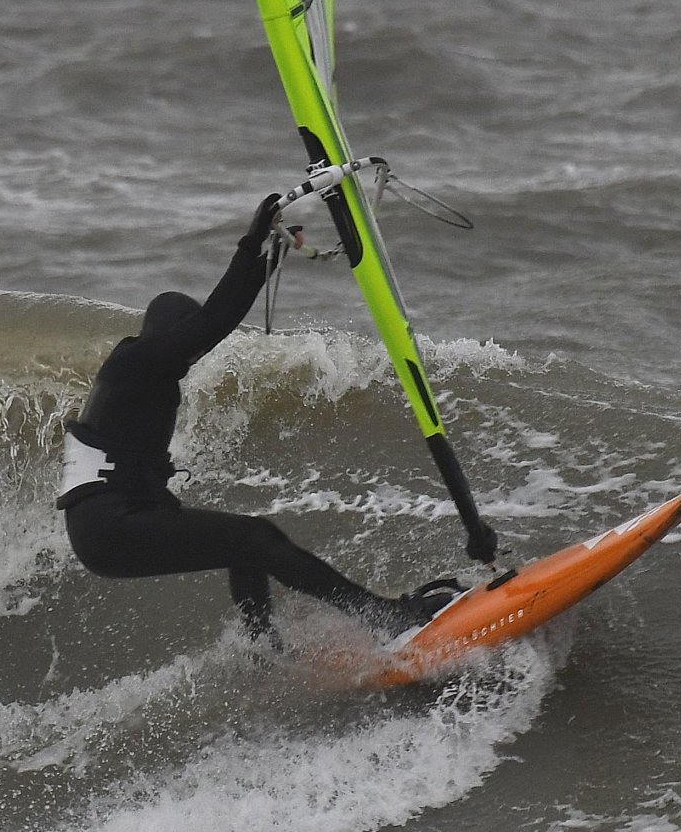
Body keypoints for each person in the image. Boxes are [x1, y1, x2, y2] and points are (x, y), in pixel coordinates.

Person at [57, 194, 451, 642]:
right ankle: (381, 616)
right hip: (110, 526)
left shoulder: (141, 371)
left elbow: (213, 322)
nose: (197, 353)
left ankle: (264, 648)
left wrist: (266, 262)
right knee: (255, 537)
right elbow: (213, 321)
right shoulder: (137, 361)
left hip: (106, 526)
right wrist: (252, 243)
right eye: (188, 340)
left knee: (244, 545)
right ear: (169, 334)